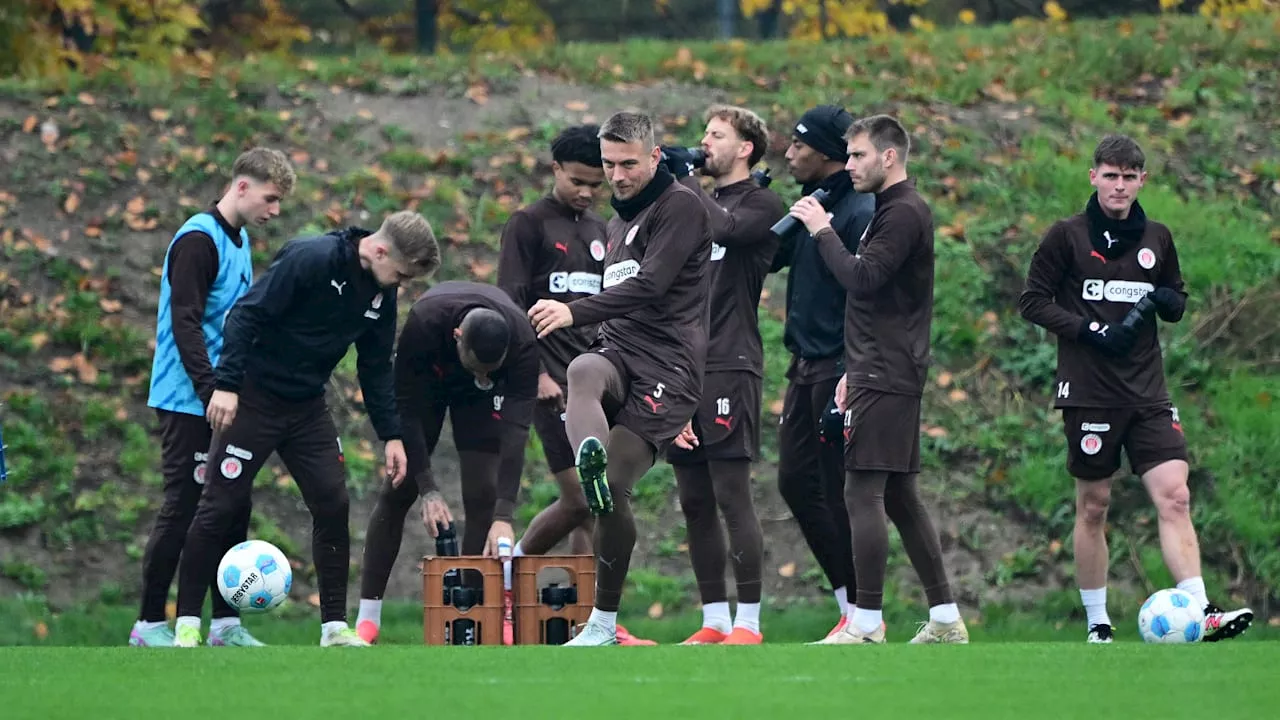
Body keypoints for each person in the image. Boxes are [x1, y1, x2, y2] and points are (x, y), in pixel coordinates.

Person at [1018, 134, 1254, 644]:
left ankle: (1199, 609)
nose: (1119, 186)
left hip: (1148, 393)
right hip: (1089, 393)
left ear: (1141, 181)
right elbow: (1032, 302)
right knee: (1094, 505)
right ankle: (1098, 621)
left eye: (1129, 177)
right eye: (1110, 175)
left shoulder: (1158, 238)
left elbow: (1174, 296)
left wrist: (1170, 301)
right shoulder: (1066, 237)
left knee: (1175, 496)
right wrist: (1093, 331)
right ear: (1094, 177)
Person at [171, 210, 440, 648]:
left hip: (306, 406)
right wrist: (227, 385)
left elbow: (374, 368)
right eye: (401, 274)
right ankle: (186, 622)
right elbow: (245, 316)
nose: (400, 284)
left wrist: (390, 434)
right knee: (218, 506)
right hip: (254, 398)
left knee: (333, 502)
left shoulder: (381, 295)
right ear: (379, 249)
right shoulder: (312, 258)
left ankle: (334, 628)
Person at [529, 111, 712, 647]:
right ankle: (590, 455)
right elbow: (623, 304)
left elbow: (653, 286)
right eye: (609, 164)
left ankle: (604, 621)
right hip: (620, 351)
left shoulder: (681, 205)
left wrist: (573, 311)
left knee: (614, 490)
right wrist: (593, 326)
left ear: (655, 157)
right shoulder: (616, 222)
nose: (617, 175)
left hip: (670, 368)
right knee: (583, 368)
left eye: (628, 163)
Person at [789, 113, 965, 645]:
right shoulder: (891, 210)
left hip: (886, 369)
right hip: (877, 367)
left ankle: (865, 623)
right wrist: (852, 369)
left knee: (861, 490)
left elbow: (862, 279)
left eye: (859, 155)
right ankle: (945, 618)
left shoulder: (904, 212)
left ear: (889, 157)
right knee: (900, 496)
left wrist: (821, 230)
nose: (850, 165)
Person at [132, 147, 295, 648]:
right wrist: (211, 390)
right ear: (241, 187)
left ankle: (225, 624)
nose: (275, 211)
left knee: (232, 504)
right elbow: (185, 324)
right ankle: (149, 624)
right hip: (188, 399)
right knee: (183, 505)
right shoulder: (198, 241)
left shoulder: (238, 238)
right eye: (270, 198)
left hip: (225, 396)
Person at [355, 281, 540, 645]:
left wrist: (504, 516)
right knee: (400, 485)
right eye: (478, 368)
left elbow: (516, 430)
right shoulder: (424, 322)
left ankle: (467, 615)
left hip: (478, 401)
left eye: (491, 370)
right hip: (430, 382)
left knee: (484, 491)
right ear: (457, 336)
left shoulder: (522, 342)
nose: (482, 377)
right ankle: (367, 618)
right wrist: (428, 488)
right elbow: (405, 408)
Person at [660, 105, 784, 645]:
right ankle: (713, 619)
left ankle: (749, 623)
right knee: (692, 496)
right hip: (679, 365)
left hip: (729, 363)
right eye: (703, 133)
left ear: (746, 148)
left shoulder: (762, 203)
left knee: (731, 491)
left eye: (716, 135)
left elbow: (725, 228)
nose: (704, 142)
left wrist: (684, 179)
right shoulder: (691, 202)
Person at [768, 105, 875, 640]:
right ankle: (847, 606)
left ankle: (864, 614)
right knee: (794, 482)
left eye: (799, 144)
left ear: (829, 152)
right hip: (803, 366)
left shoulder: (859, 210)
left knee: (838, 490)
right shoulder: (813, 205)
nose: (789, 153)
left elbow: (867, 291)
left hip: (839, 366)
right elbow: (766, 255)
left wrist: (854, 367)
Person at [496, 124, 608, 562]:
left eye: (595, 185)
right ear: (555, 169)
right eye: (577, 181)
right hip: (551, 385)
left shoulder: (602, 228)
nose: (585, 192)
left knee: (597, 506)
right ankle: (510, 568)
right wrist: (536, 372)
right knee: (580, 498)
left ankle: (588, 615)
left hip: (595, 382)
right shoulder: (528, 224)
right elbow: (509, 304)